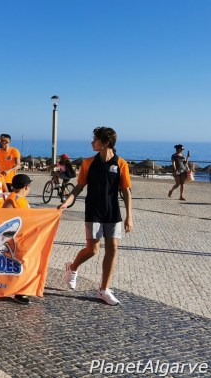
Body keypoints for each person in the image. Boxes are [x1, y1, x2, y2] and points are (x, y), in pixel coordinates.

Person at [59, 127, 133, 306]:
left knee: (112, 249)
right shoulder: (88, 163)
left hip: (112, 212)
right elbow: (79, 187)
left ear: (105, 143)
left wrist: (129, 216)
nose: (92, 142)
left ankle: (104, 290)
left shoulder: (121, 163)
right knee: (92, 250)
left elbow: (126, 191)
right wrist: (66, 203)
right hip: (93, 211)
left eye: (95, 139)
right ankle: (72, 267)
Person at [2, 173, 33, 305]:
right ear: (26, 186)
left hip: (22, 238)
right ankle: (19, 291)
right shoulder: (12, 200)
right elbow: (5, 220)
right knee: (19, 264)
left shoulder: (20, 199)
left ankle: (22, 289)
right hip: (16, 240)